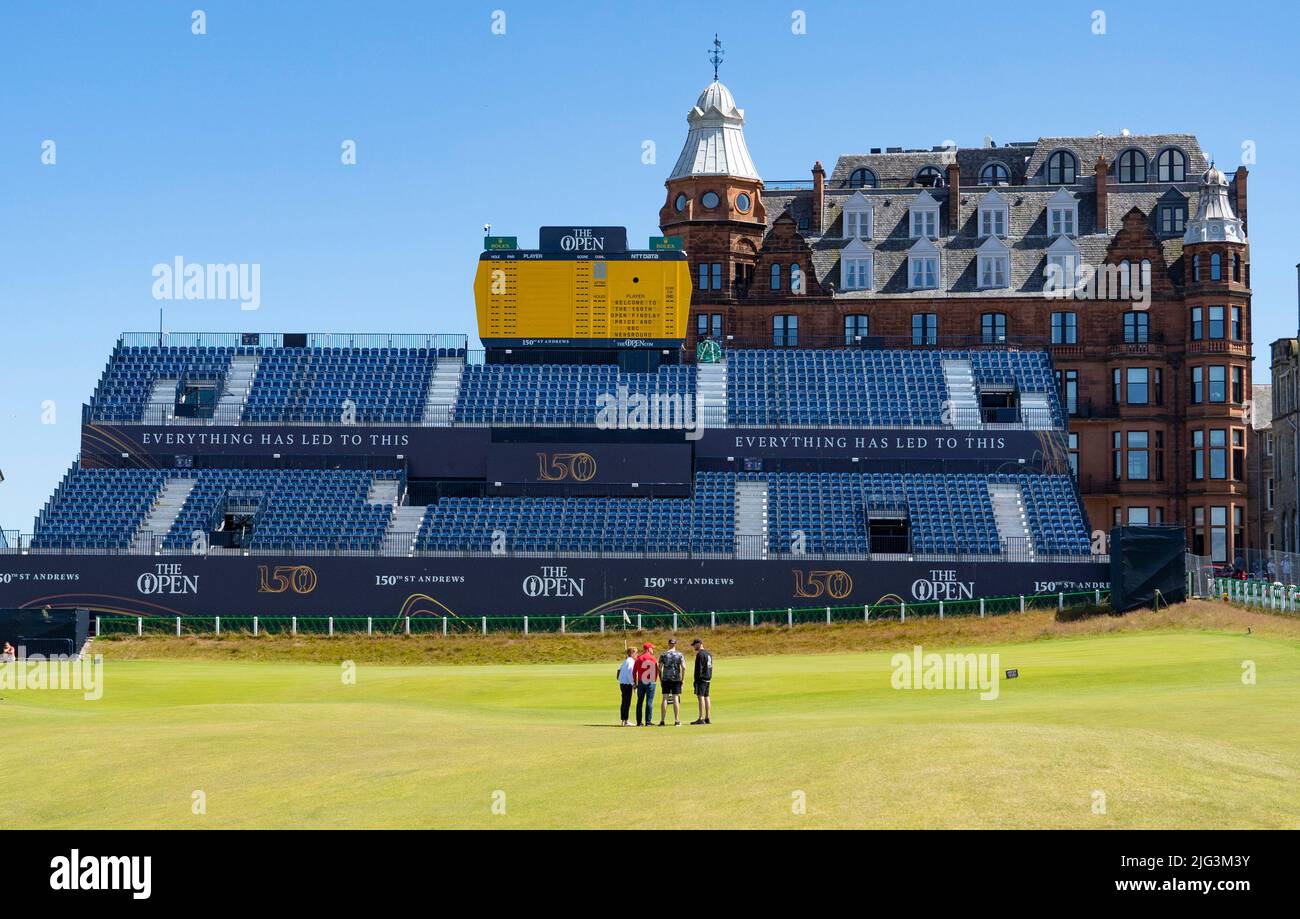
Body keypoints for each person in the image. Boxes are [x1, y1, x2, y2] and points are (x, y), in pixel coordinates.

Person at [657, 638, 685, 726]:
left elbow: (659, 668)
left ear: (668, 644)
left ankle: (662, 720)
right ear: (675, 644)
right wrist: (682, 679)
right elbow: (684, 667)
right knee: (675, 698)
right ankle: (677, 720)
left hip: (665, 679)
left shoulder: (663, 654)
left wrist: (660, 678)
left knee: (665, 698)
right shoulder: (680, 655)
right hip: (676, 679)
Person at [633, 642, 659, 727]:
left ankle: (639, 722)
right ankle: (648, 721)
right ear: (648, 649)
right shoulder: (653, 658)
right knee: (649, 702)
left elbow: (634, 672)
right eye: (652, 648)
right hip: (651, 681)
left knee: (640, 702)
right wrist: (655, 679)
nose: (652, 650)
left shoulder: (639, 658)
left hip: (641, 682)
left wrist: (635, 682)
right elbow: (657, 670)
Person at [690, 638, 713, 725]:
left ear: (699, 644)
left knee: (701, 697)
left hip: (701, 679)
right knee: (707, 697)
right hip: (708, 678)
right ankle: (707, 717)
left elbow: (698, 669)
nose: (694, 647)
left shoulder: (700, 654)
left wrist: (696, 680)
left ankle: (701, 718)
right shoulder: (708, 654)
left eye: (694, 645)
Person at [617, 648, 636, 726]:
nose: (636, 655)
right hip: (627, 684)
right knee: (626, 702)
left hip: (622, 683)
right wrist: (633, 684)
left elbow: (619, 671)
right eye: (636, 653)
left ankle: (623, 720)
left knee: (624, 702)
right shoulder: (631, 661)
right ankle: (626, 721)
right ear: (632, 653)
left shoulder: (625, 661)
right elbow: (630, 673)